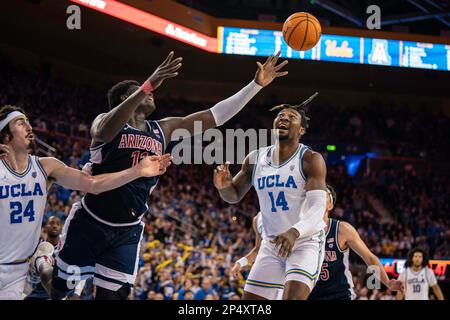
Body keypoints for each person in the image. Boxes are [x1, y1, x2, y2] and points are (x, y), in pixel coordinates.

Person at [51, 50, 289, 300]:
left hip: (126, 232)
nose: (152, 92)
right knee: (59, 292)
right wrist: (147, 84)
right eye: (144, 91)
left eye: (151, 90)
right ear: (126, 97)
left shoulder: (163, 128)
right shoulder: (105, 123)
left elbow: (214, 116)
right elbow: (105, 128)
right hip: (90, 223)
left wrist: (255, 86)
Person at [0, 105, 171, 300]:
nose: (29, 127)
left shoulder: (46, 166)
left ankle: (41, 261)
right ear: (5, 135)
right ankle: (41, 262)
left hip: (17, 270)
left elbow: (93, 185)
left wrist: (137, 170)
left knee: (59, 292)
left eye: (28, 121)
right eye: (21, 123)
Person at [214, 96, 328, 300]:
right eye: (280, 115)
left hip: (304, 241)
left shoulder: (310, 159)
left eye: (291, 117)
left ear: (301, 130)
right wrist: (223, 187)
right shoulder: (256, 158)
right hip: (272, 243)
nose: (284, 118)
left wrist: (294, 232)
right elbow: (234, 195)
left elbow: (318, 209)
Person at [308, 185, 402, 300]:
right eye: (316, 195)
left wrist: (387, 282)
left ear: (330, 205)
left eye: (323, 196)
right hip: (309, 294)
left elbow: (369, 258)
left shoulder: (342, 229)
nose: (318, 198)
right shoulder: (300, 230)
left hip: (340, 294)